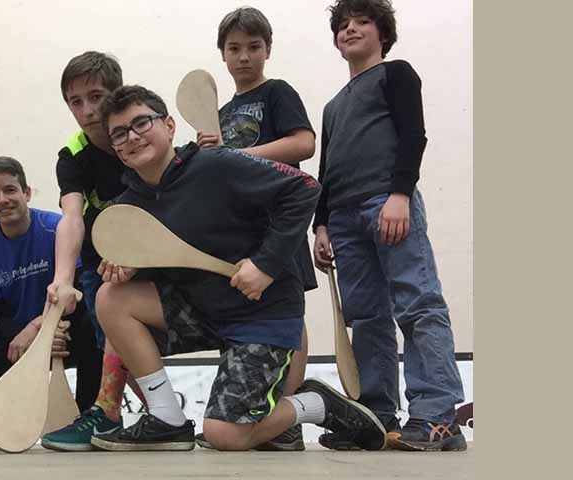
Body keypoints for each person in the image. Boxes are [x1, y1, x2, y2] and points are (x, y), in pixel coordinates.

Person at [87, 85, 386, 452]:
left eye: (141, 123)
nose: (132, 137)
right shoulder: (129, 205)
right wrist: (130, 268)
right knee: (111, 298)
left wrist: (265, 264)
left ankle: (316, 403)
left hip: (262, 314)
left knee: (223, 435)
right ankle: (166, 419)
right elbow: (158, 261)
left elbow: (305, 188)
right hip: (205, 311)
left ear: (168, 125)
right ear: (115, 148)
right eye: (120, 133)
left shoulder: (216, 164)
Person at [312, 0, 466, 452]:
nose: (350, 29)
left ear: (382, 32)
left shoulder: (396, 73)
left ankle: (438, 417)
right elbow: (327, 169)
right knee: (367, 317)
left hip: (388, 202)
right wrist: (321, 225)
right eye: (342, 25)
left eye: (361, 22)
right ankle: (377, 416)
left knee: (417, 304)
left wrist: (399, 195)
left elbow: (412, 136)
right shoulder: (332, 105)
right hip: (342, 217)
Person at [195, 6, 317, 451]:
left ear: (267, 50)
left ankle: (288, 412)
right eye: (234, 48)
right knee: (255, 314)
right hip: (241, 235)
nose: (244, 56)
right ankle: (260, 413)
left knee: (290, 313)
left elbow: (304, 142)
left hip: (281, 222)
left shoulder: (277, 93)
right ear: (222, 55)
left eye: (253, 47)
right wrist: (208, 153)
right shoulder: (222, 111)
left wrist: (240, 155)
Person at [41, 51, 146, 452]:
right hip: (99, 263)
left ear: (117, 93)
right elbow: (71, 216)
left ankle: (134, 415)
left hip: (154, 255)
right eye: (75, 101)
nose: (86, 110)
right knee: (112, 339)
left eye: (97, 96)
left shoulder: (139, 136)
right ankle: (145, 413)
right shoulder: (73, 155)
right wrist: (62, 279)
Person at [0, 157, 101, 413]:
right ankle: (10, 417)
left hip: (67, 328)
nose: (2, 199)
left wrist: (47, 329)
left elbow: (81, 292)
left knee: (92, 328)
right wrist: (34, 336)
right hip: (21, 338)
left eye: (10, 189)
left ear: (27, 193)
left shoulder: (57, 229)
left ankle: (88, 414)